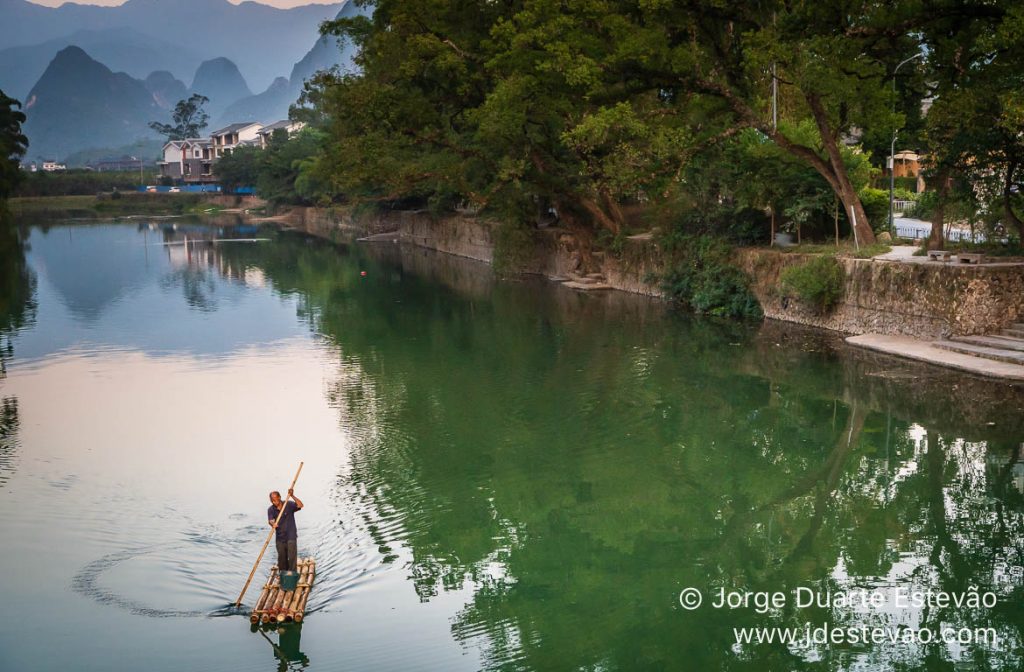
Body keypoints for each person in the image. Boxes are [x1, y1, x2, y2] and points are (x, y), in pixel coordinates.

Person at [267, 488, 303, 572]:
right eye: (272, 500)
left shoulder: (288, 504)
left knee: (292, 557)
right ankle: (283, 575)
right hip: (280, 538)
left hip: (291, 536)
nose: (274, 502)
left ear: (279, 497)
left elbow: (300, 505)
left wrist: (292, 495)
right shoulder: (271, 509)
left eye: (275, 499)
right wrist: (273, 524)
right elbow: (270, 520)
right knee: (282, 558)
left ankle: (292, 575)